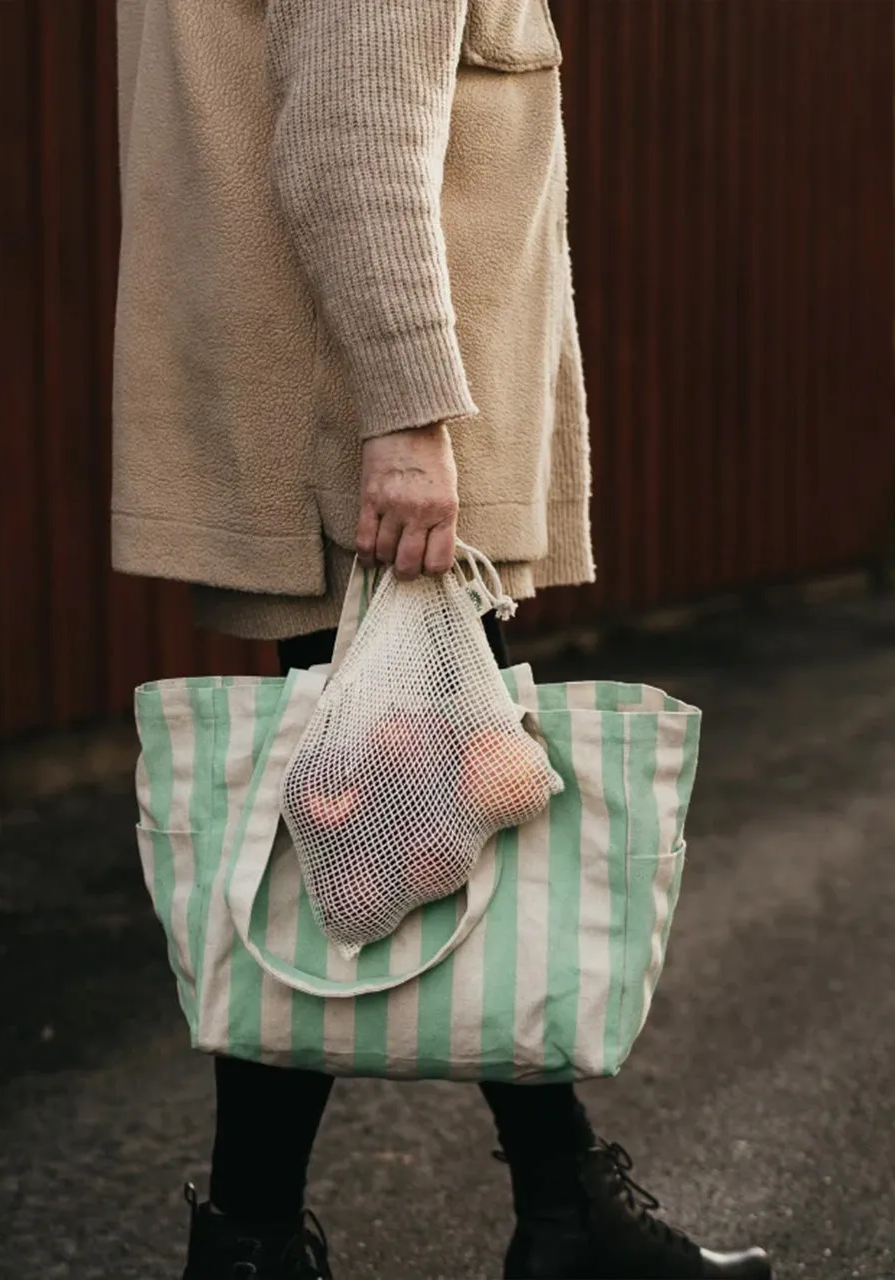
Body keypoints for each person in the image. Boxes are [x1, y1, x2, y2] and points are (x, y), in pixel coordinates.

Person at [111, 3, 772, 1277]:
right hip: (356, 423)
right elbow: (351, 136)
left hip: (311, 402)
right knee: (385, 817)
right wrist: (408, 411)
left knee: (361, 827)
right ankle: (523, 1216)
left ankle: (503, 1211)